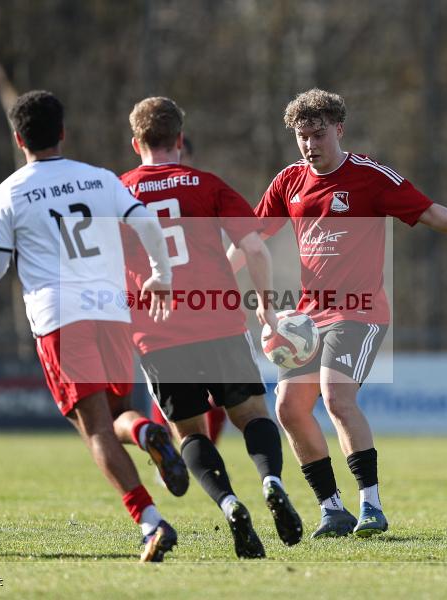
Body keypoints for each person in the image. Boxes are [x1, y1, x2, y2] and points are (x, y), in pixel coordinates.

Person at [0, 90, 188, 562]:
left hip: (61, 317)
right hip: (112, 312)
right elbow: (147, 223)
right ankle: (146, 431)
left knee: (95, 429)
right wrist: (161, 275)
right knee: (119, 416)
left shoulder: (9, 192)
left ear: (19, 139)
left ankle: (150, 521)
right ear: (62, 132)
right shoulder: (99, 179)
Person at [229, 88, 447, 539]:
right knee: (288, 407)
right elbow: (251, 238)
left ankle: (371, 505)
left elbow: (425, 209)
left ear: (339, 129)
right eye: (302, 136)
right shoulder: (288, 182)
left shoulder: (369, 176)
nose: (310, 145)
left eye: (318, 134)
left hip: (360, 311)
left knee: (337, 396)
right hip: (309, 318)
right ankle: (332, 510)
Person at [120, 96, 304, 557]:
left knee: (191, 434)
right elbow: (255, 248)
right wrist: (266, 307)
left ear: (136, 143)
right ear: (180, 139)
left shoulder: (117, 193)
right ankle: (271, 481)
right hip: (219, 322)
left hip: (158, 334)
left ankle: (228, 504)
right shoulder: (206, 184)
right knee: (253, 415)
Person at [146, 135, 229, 446]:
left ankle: (196, 455)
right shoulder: (202, 192)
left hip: (195, 305)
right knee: (178, 393)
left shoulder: (197, 193)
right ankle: (174, 454)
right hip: (182, 306)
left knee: (208, 396)